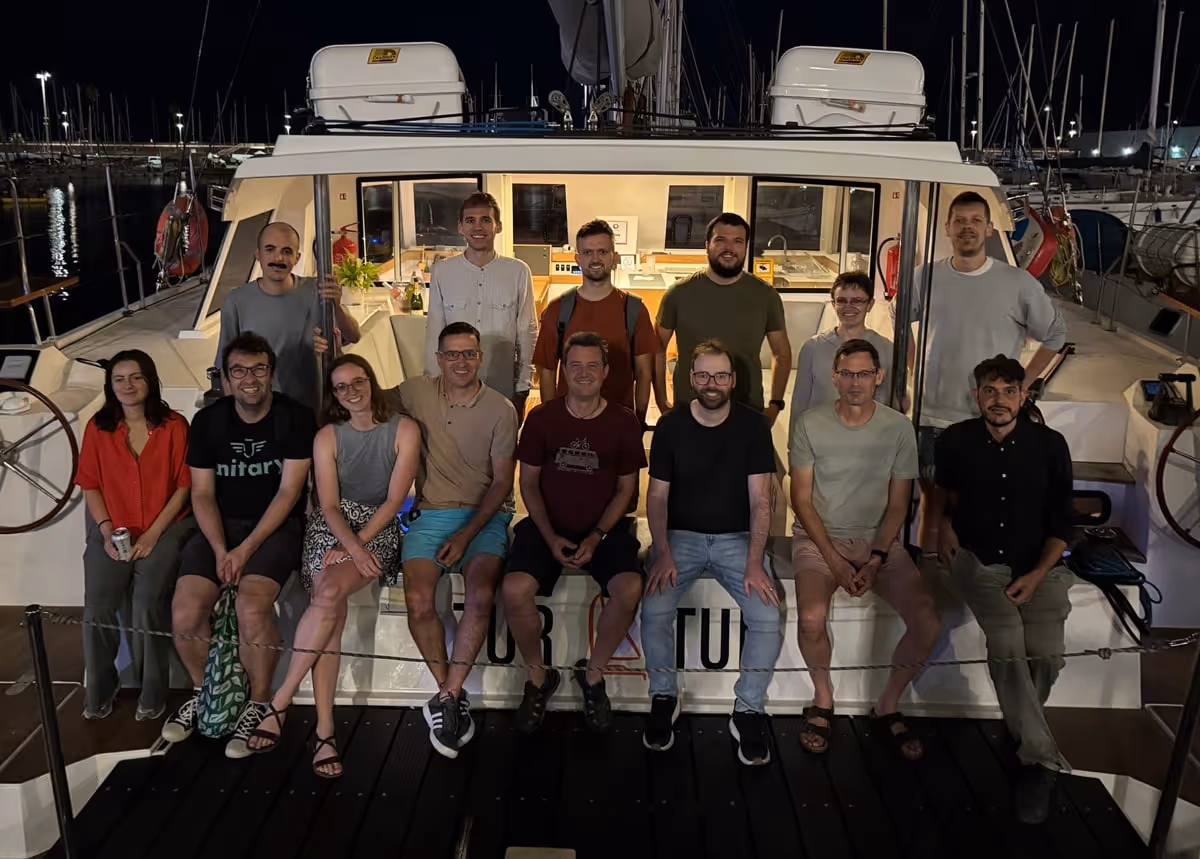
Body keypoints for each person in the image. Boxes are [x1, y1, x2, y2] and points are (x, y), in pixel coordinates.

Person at [246, 355, 420, 777]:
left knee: (327, 595)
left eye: (357, 381)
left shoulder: (404, 429)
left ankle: (281, 701)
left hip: (378, 525)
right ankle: (324, 731)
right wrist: (348, 546)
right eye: (341, 387)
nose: (351, 391)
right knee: (331, 608)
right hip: (332, 526)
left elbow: (396, 500)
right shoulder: (328, 436)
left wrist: (357, 549)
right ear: (335, 396)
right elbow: (326, 504)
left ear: (371, 382)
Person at [935, 355, 1075, 825]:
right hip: (980, 566)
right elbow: (943, 494)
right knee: (1009, 645)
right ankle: (1040, 761)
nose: (999, 400)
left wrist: (1037, 575)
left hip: (1042, 568)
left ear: (1023, 395)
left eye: (1008, 391)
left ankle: (1023, 728)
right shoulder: (954, 442)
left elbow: (1062, 524)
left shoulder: (1051, 446)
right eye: (990, 391)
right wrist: (942, 529)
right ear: (977, 395)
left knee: (1048, 654)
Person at [163, 332, 316, 759]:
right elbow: (202, 495)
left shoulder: (294, 418)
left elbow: (289, 494)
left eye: (259, 369)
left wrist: (243, 551)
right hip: (218, 528)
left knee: (251, 605)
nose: (250, 379)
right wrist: (218, 549)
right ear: (226, 379)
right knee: (185, 610)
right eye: (239, 371)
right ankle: (204, 690)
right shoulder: (209, 422)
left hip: (275, 527)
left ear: (272, 374)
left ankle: (258, 701)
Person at [789, 339, 940, 760]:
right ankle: (823, 698)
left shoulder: (897, 428)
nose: (856, 383)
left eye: (864, 374)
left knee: (927, 621)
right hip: (820, 538)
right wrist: (835, 561)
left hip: (879, 540)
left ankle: (888, 702)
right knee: (811, 618)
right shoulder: (809, 424)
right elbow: (800, 499)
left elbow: (898, 504)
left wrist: (877, 557)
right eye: (847, 374)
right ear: (835, 377)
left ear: (878, 378)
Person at [641, 340, 781, 766]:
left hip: (736, 539)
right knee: (654, 609)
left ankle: (748, 708)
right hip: (680, 537)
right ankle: (664, 696)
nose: (712, 383)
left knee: (767, 616)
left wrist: (756, 562)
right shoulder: (670, 426)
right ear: (689, 379)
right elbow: (657, 498)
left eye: (720, 375)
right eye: (702, 375)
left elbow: (762, 501)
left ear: (733, 381)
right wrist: (662, 551)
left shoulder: (754, 427)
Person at [904, 191, 1067, 550]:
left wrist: (1021, 385)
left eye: (976, 220)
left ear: (990, 229)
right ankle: (931, 592)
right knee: (933, 508)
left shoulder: (1019, 283)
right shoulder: (923, 277)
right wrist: (914, 371)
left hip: (989, 423)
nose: (967, 228)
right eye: (960, 221)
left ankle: (971, 593)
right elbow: (901, 327)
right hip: (932, 415)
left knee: (976, 509)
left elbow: (1056, 335)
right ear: (947, 228)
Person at [504, 332, 646, 734]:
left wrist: (597, 535)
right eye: (576, 366)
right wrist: (549, 538)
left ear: (605, 372)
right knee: (514, 589)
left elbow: (626, 489)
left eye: (592, 366)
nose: (584, 374)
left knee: (630, 589)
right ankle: (537, 677)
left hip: (604, 530)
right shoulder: (542, 417)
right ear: (564, 370)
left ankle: (594, 675)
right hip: (548, 526)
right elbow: (528, 484)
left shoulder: (623, 421)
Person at [400, 321, 518, 759]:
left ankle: (448, 694)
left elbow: (503, 482)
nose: (461, 362)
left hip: (484, 517)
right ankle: (447, 691)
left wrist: (468, 534)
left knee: (482, 594)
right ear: (439, 358)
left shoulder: (502, 409)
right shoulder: (416, 392)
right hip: (431, 514)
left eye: (469, 353)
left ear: (480, 356)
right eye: (452, 355)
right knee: (417, 600)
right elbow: (362, 397)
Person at [76, 350, 194, 721]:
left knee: (146, 603)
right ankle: (99, 688)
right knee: (97, 607)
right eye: (119, 379)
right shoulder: (97, 427)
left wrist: (155, 534)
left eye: (136, 377)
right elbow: (90, 485)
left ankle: (151, 691)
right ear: (110, 386)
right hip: (112, 529)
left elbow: (183, 487)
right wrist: (106, 531)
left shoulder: (175, 424)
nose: (128, 385)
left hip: (167, 526)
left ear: (150, 380)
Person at [653, 213, 792, 427]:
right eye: (720, 240)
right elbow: (657, 349)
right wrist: (662, 401)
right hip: (690, 410)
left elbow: (781, 353)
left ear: (746, 247)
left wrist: (775, 405)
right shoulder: (678, 294)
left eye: (738, 241)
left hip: (747, 411)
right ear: (707, 245)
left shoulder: (765, 296)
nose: (729, 248)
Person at [218, 220, 360, 414]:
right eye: (270, 249)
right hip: (261, 413)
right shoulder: (236, 302)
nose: (278, 257)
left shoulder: (317, 291)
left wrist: (336, 305)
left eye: (286, 251)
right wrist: (235, 417)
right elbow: (225, 368)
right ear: (258, 254)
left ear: (297, 257)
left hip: (312, 409)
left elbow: (353, 335)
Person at [423, 192, 538, 420]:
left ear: (498, 226)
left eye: (486, 220)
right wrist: (432, 383)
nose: (478, 227)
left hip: (500, 383)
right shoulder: (443, 271)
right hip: (452, 385)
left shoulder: (518, 272)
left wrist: (523, 385)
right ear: (460, 227)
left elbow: (528, 330)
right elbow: (435, 328)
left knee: (501, 451)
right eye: (470, 220)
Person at [533, 220, 656, 424]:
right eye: (588, 253)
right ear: (577, 259)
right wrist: (552, 420)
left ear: (614, 257)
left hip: (619, 423)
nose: (595, 259)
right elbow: (547, 371)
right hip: (569, 421)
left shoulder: (634, 310)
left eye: (603, 252)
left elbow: (644, 372)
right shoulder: (557, 310)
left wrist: (638, 420)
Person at [791, 271, 894, 414]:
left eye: (857, 301)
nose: (848, 307)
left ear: (870, 304)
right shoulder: (812, 348)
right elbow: (799, 403)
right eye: (841, 301)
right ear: (834, 304)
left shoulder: (887, 349)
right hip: (821, 433)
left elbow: (890, 406)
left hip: (870, 434)